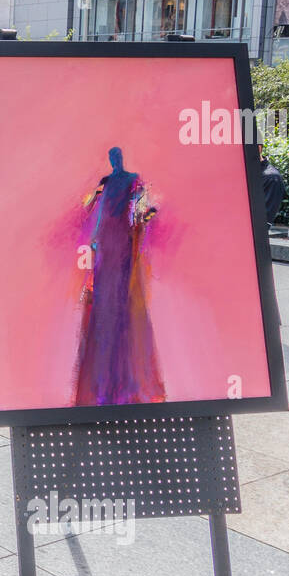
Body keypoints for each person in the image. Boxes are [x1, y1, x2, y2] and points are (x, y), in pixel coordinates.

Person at [73, 146, 165, 407]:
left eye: (117, 156)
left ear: (120, 158)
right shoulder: (109, 182)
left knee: (120, 292)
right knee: (107, 292)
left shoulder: (131, 179)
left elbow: (147, 206)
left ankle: (117, 310)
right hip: (108, 241)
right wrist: (95, 237)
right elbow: (94, 209)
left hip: (119, 240)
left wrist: (140, 223)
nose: (115, 160)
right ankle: (110, 308)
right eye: (112, 157)